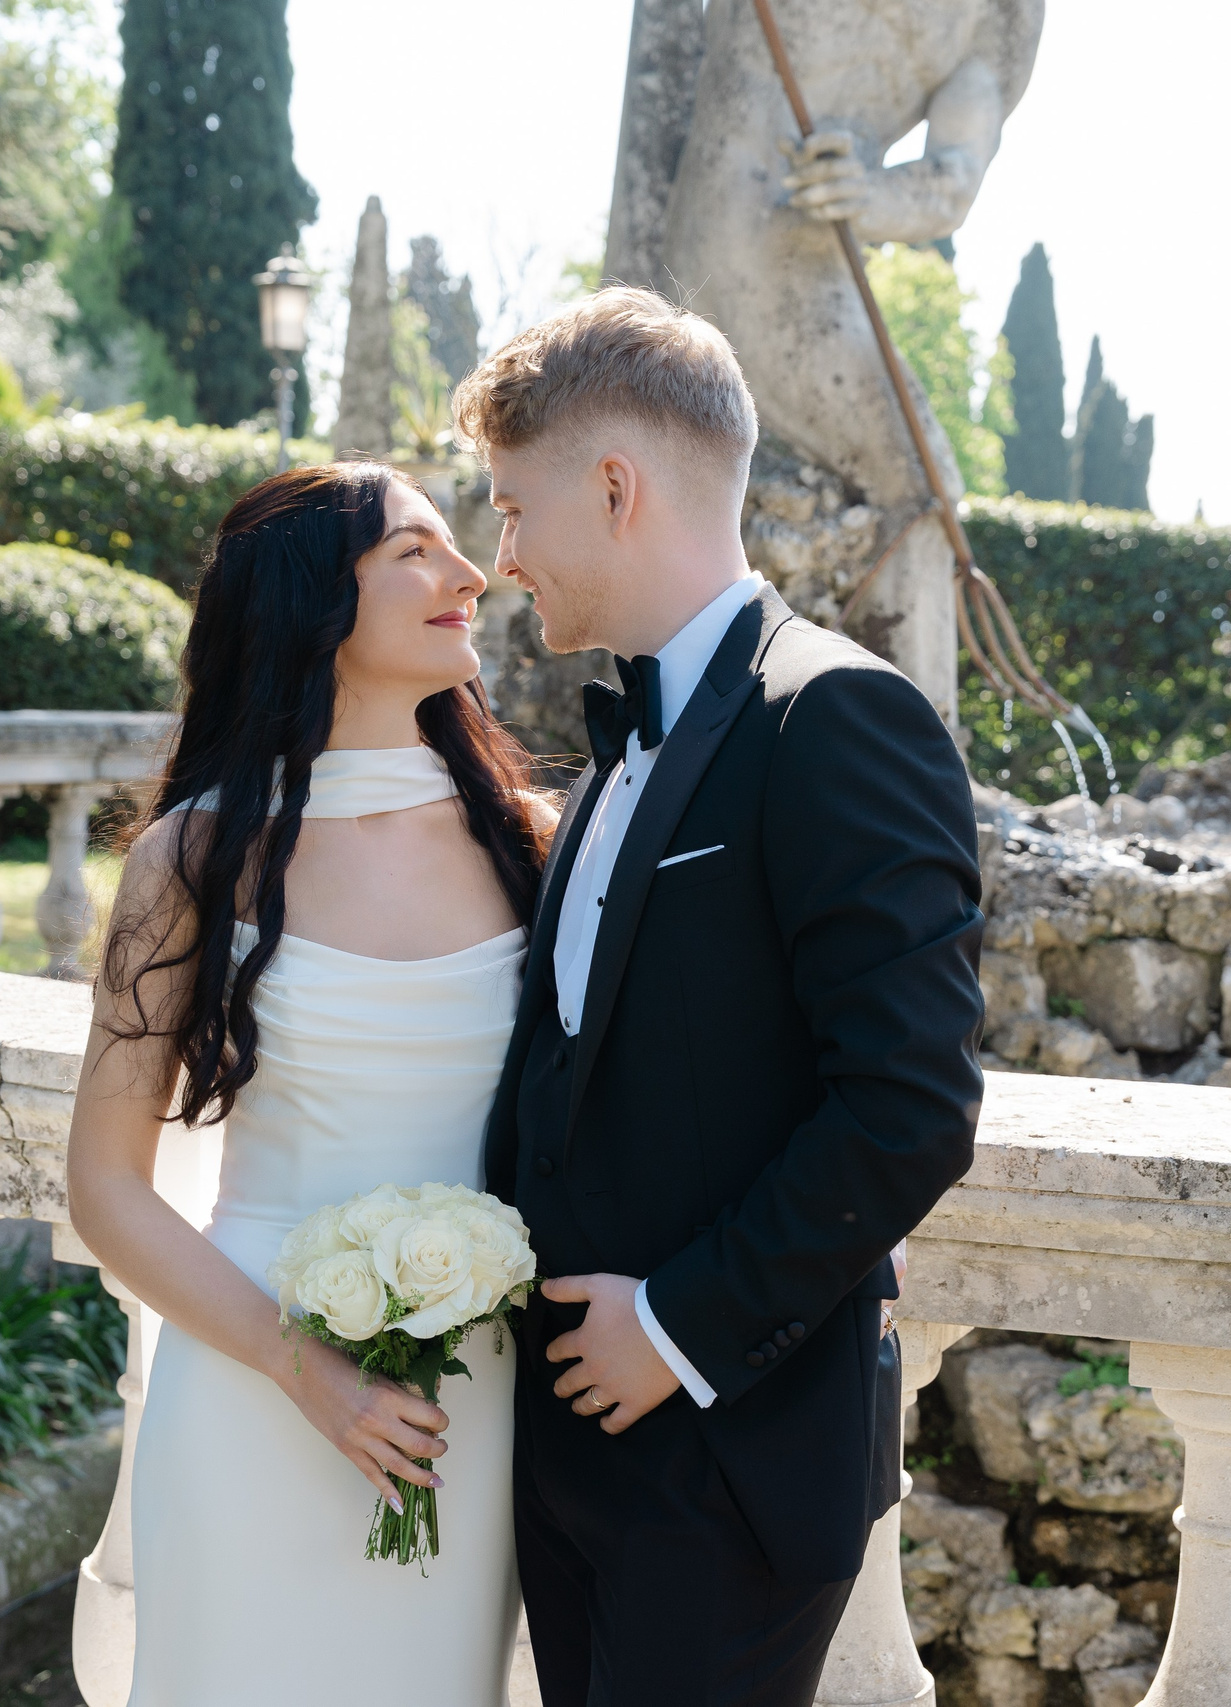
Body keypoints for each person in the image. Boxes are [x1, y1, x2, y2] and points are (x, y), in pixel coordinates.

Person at [462, 287, 985, 1707]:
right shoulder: (622, 742)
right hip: (570, 1450)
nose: (501, 557)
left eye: (516, 510)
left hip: (725, 1459)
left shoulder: (837, 716)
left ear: (616, 487)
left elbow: (910, 1105)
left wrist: (680, 1326)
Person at [65, 463, 551, 1704]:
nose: (470, 575)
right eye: (415, 552)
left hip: (462, 1410)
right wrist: (307, 1372)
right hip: (249, 1392)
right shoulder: (190, 859)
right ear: (308, 606)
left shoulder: (534, 840)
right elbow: (106, 1189)